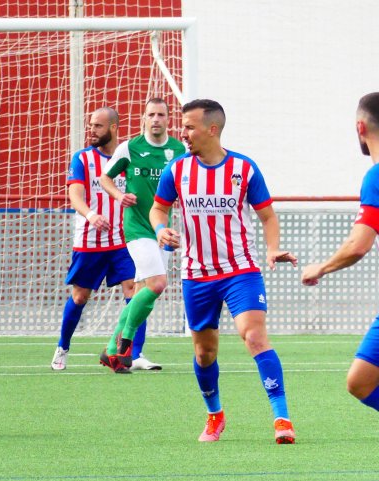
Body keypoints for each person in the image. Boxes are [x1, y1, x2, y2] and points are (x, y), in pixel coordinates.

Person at [151, 99, 298, 444]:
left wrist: (273, 247)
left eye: (189, 127)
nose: (182, 133)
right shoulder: (177, 171)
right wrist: (160, 230)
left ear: (211, 129)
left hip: (240, 271)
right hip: (197, 274)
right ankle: (215, 414)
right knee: (205, 353)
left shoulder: (244, 169)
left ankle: (282, 418)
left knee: (254, 336)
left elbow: (268, 216)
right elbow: (159, 210)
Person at [50, 107, 149, 372]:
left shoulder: (128, 156)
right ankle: (63, 347)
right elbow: (75, 195)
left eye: (97, 126)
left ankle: (133, 354)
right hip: (90, 241)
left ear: (113, 128)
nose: (91, 131)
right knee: (80, 297)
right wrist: (91, 215)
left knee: (136, 292)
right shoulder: (82, 158)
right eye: (91, 125)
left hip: (123, 240)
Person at [301, 92, 379, 414]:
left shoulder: (375, 177)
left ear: (360, 127)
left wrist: (321, 267)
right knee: (360, 380)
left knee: (360, 382)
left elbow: (358, 245)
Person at [98, 97, 185, 372]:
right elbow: (104, 178)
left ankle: (112, 350)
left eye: (161, 114)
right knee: (158, 283)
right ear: (144, 119)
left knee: (143, 290)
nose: (156, 119)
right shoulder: (129, 148)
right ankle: (123, 345)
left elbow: (185, 183)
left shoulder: (178, 149)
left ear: (168, 119)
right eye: (151, 114)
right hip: (136, 228)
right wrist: (119, 196)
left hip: (161, 230)